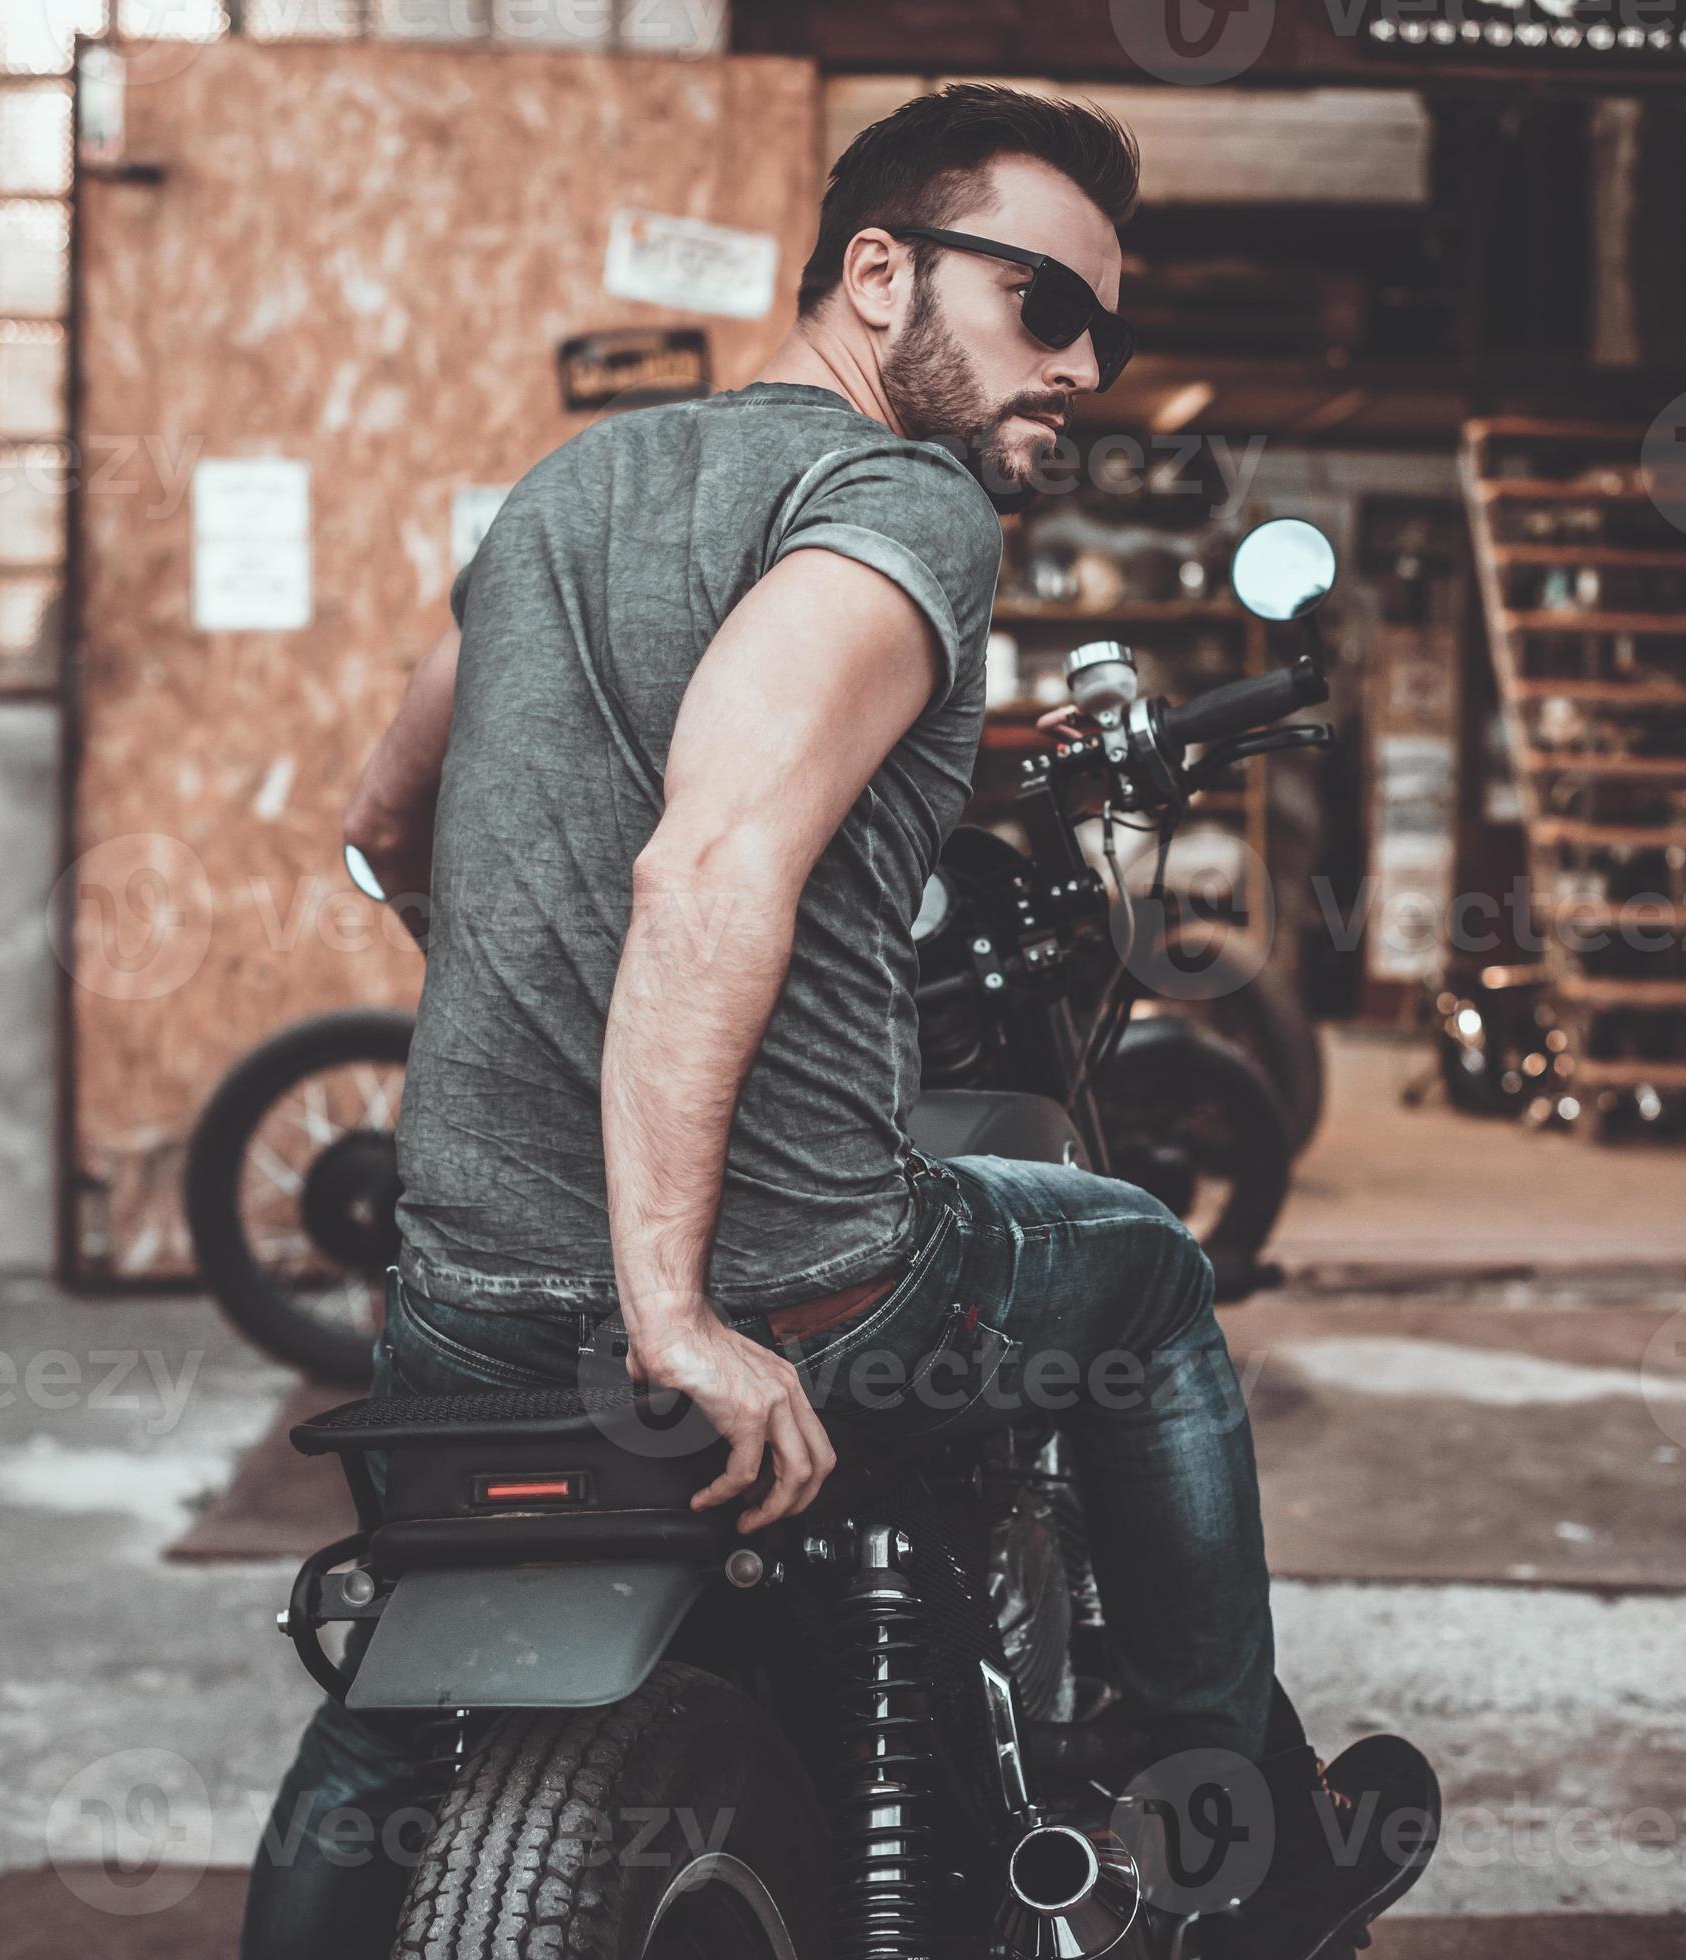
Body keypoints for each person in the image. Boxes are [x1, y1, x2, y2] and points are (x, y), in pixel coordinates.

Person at [240, 82, 1438, 1960]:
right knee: (1140, 1273)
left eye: (1107, 329)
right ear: (877, 273)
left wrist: (532, 1019)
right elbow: (708, 864)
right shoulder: (904, 502)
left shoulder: (571, 492)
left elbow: (391, 822)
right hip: (798, 1282)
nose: (1085, 363)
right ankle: (1241, 1831)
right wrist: (671, 1313)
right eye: (1045, 304)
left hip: (465, 1281)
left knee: (388, 1718)